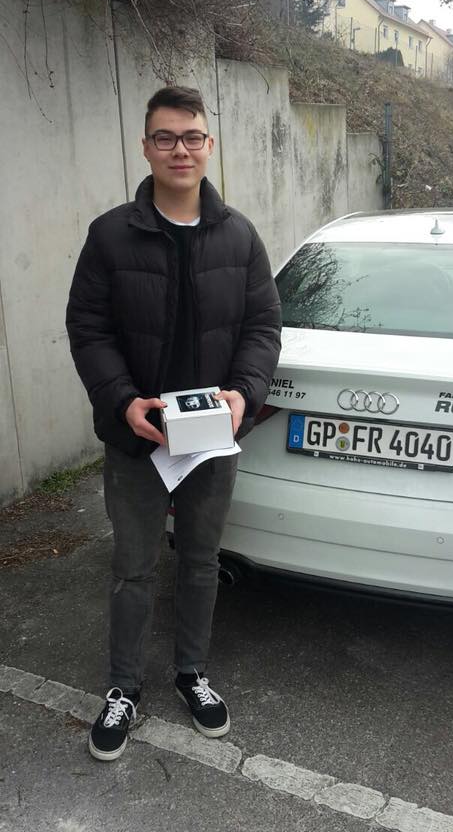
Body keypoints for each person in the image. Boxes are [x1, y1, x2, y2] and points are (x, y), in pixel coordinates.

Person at [66, 86, 281, 761]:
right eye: (165, 137)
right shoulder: (110, 235)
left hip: (212, 439)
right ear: (146, 147)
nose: (179, 149)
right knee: (132, 568)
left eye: (191, 137)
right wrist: (122, 401)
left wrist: (245, 394)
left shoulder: (240, 236)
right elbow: (89, 328)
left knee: (199, 561)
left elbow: (262, 327)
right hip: (139, 437)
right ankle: (124, 688)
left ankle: (192, 674)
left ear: (209, 146)